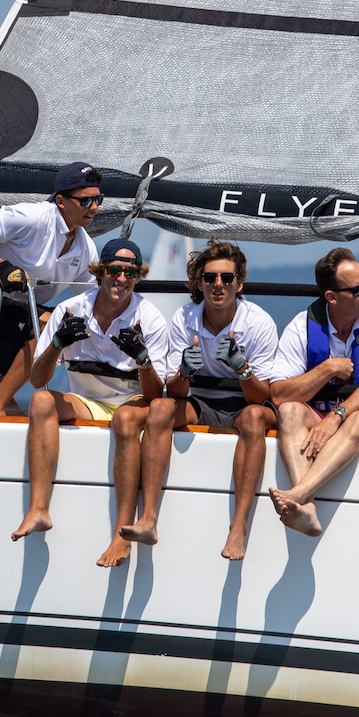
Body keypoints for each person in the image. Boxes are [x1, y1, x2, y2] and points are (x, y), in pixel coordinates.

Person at [9, 239, 177, 568]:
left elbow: (157, 396)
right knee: (41, 401)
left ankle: (120, 534)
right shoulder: (70, 310)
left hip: (135, 401)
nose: (122, 278)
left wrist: (142, 360)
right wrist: (57, 344)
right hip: (88, 401)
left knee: (126, 419)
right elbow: (36, 378)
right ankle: (39, 509)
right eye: (114, 270)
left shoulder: (151, 318)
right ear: (100, 272)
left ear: (138, 277)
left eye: (131, 273)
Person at [132, 240, 281, 560]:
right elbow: (174, 392)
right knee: (158, 409)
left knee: (255, 418)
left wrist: (240, 366)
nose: (218, 284)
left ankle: (237, 528)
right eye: (210, 277)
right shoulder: (185, 317)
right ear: (199, 282)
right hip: (200, 400)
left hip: (244, 404)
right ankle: (148, 518)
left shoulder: (259, 322)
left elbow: (262, 396)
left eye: (227, 278)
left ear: (239, 283)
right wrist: (184, 371)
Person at [0, 162, 103, 415]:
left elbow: (96, 300)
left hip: (11, 313)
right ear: (61, 201)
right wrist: (2, 268)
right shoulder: (33, 218)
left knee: (70, 333)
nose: (93, 208)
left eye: (97, 200)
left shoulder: (85, 248)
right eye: (85, 201)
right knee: (51, 324)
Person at [266, 247, 359, 536]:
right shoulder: (301, 326)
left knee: (358, 419)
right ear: (331, 297)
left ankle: (299, 494)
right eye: (358, 290)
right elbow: (279, 395)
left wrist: (336, 416)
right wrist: (327, 369)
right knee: (289, 412)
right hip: (316, 415)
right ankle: (307, 509)